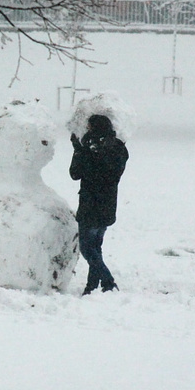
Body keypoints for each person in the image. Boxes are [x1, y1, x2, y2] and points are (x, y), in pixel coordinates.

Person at [69, 114, 129, 295]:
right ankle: (92, 286)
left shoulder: (88, 149)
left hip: (90, 204)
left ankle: (108, 280)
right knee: (96, 247)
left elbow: (74, 173)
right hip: (108, 204)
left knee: (87, 248)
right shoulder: (118, 148)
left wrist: (77, 149)